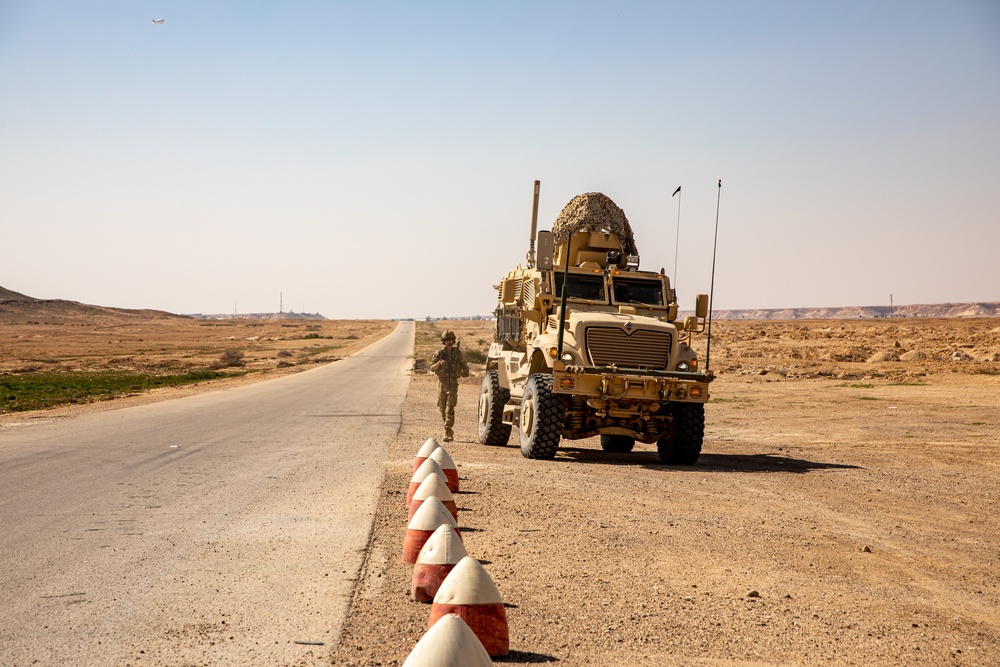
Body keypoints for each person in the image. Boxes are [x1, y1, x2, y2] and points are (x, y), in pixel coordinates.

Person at [429, 330, 469, 442]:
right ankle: (448, 428)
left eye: (451, 340)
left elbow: (465, 366)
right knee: (442, 409)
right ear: (444, 341)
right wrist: (439, 364)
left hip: (453, 385)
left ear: (453, 340)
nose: (449, 342)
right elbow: (431, 368)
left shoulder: (458, 353)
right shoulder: (439, 353)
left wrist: (464, 372)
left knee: (450, 408)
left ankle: (447, 430)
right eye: (447, 340)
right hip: (442, 384)